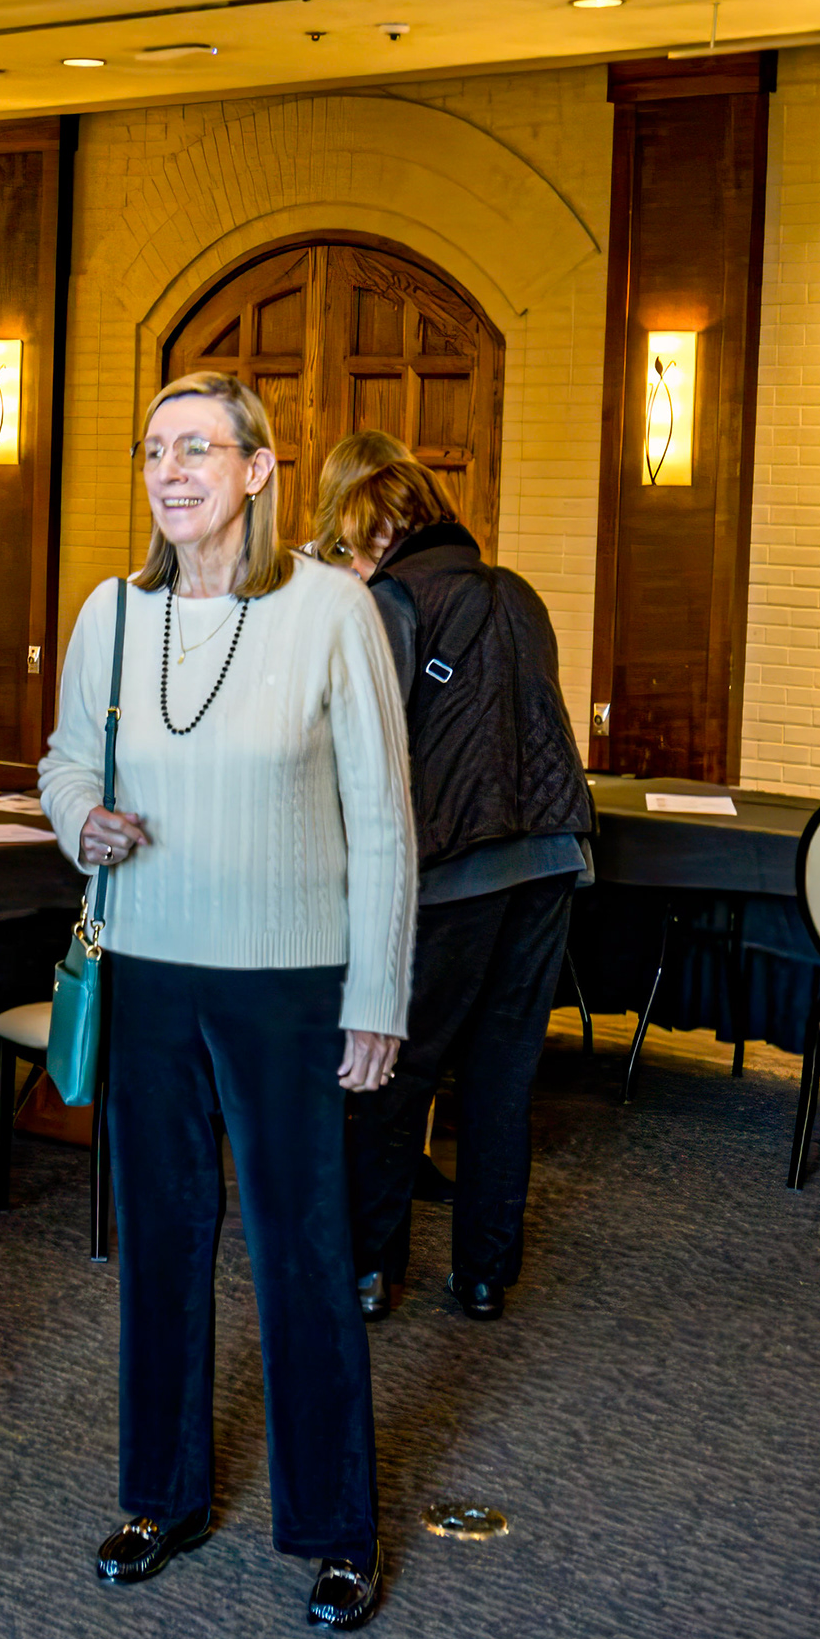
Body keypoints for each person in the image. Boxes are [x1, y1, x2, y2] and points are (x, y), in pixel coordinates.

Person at [39, 373, 414, 1636]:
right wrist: (78, 818)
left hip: (289, 984)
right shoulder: (113, 610)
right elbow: (65, 761)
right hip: (149, 966)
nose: (171, 471)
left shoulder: (333, 609)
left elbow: (384, 817)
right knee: (159, 1240)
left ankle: (336, 1527)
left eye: (197, 448)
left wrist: (379, 994)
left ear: (258, 470)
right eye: (154, 450)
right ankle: (163, 1495)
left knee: (303, 1252)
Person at [315, 430, 594, 1325]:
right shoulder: (520, 594)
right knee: (501, 1078)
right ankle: (483, 1274)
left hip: (449, 872)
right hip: (549, 860)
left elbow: (359, 748)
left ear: (376, 529)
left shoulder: (395, 601)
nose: (350, 559)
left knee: (391, 1072)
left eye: (350, 543)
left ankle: (370, 1269)